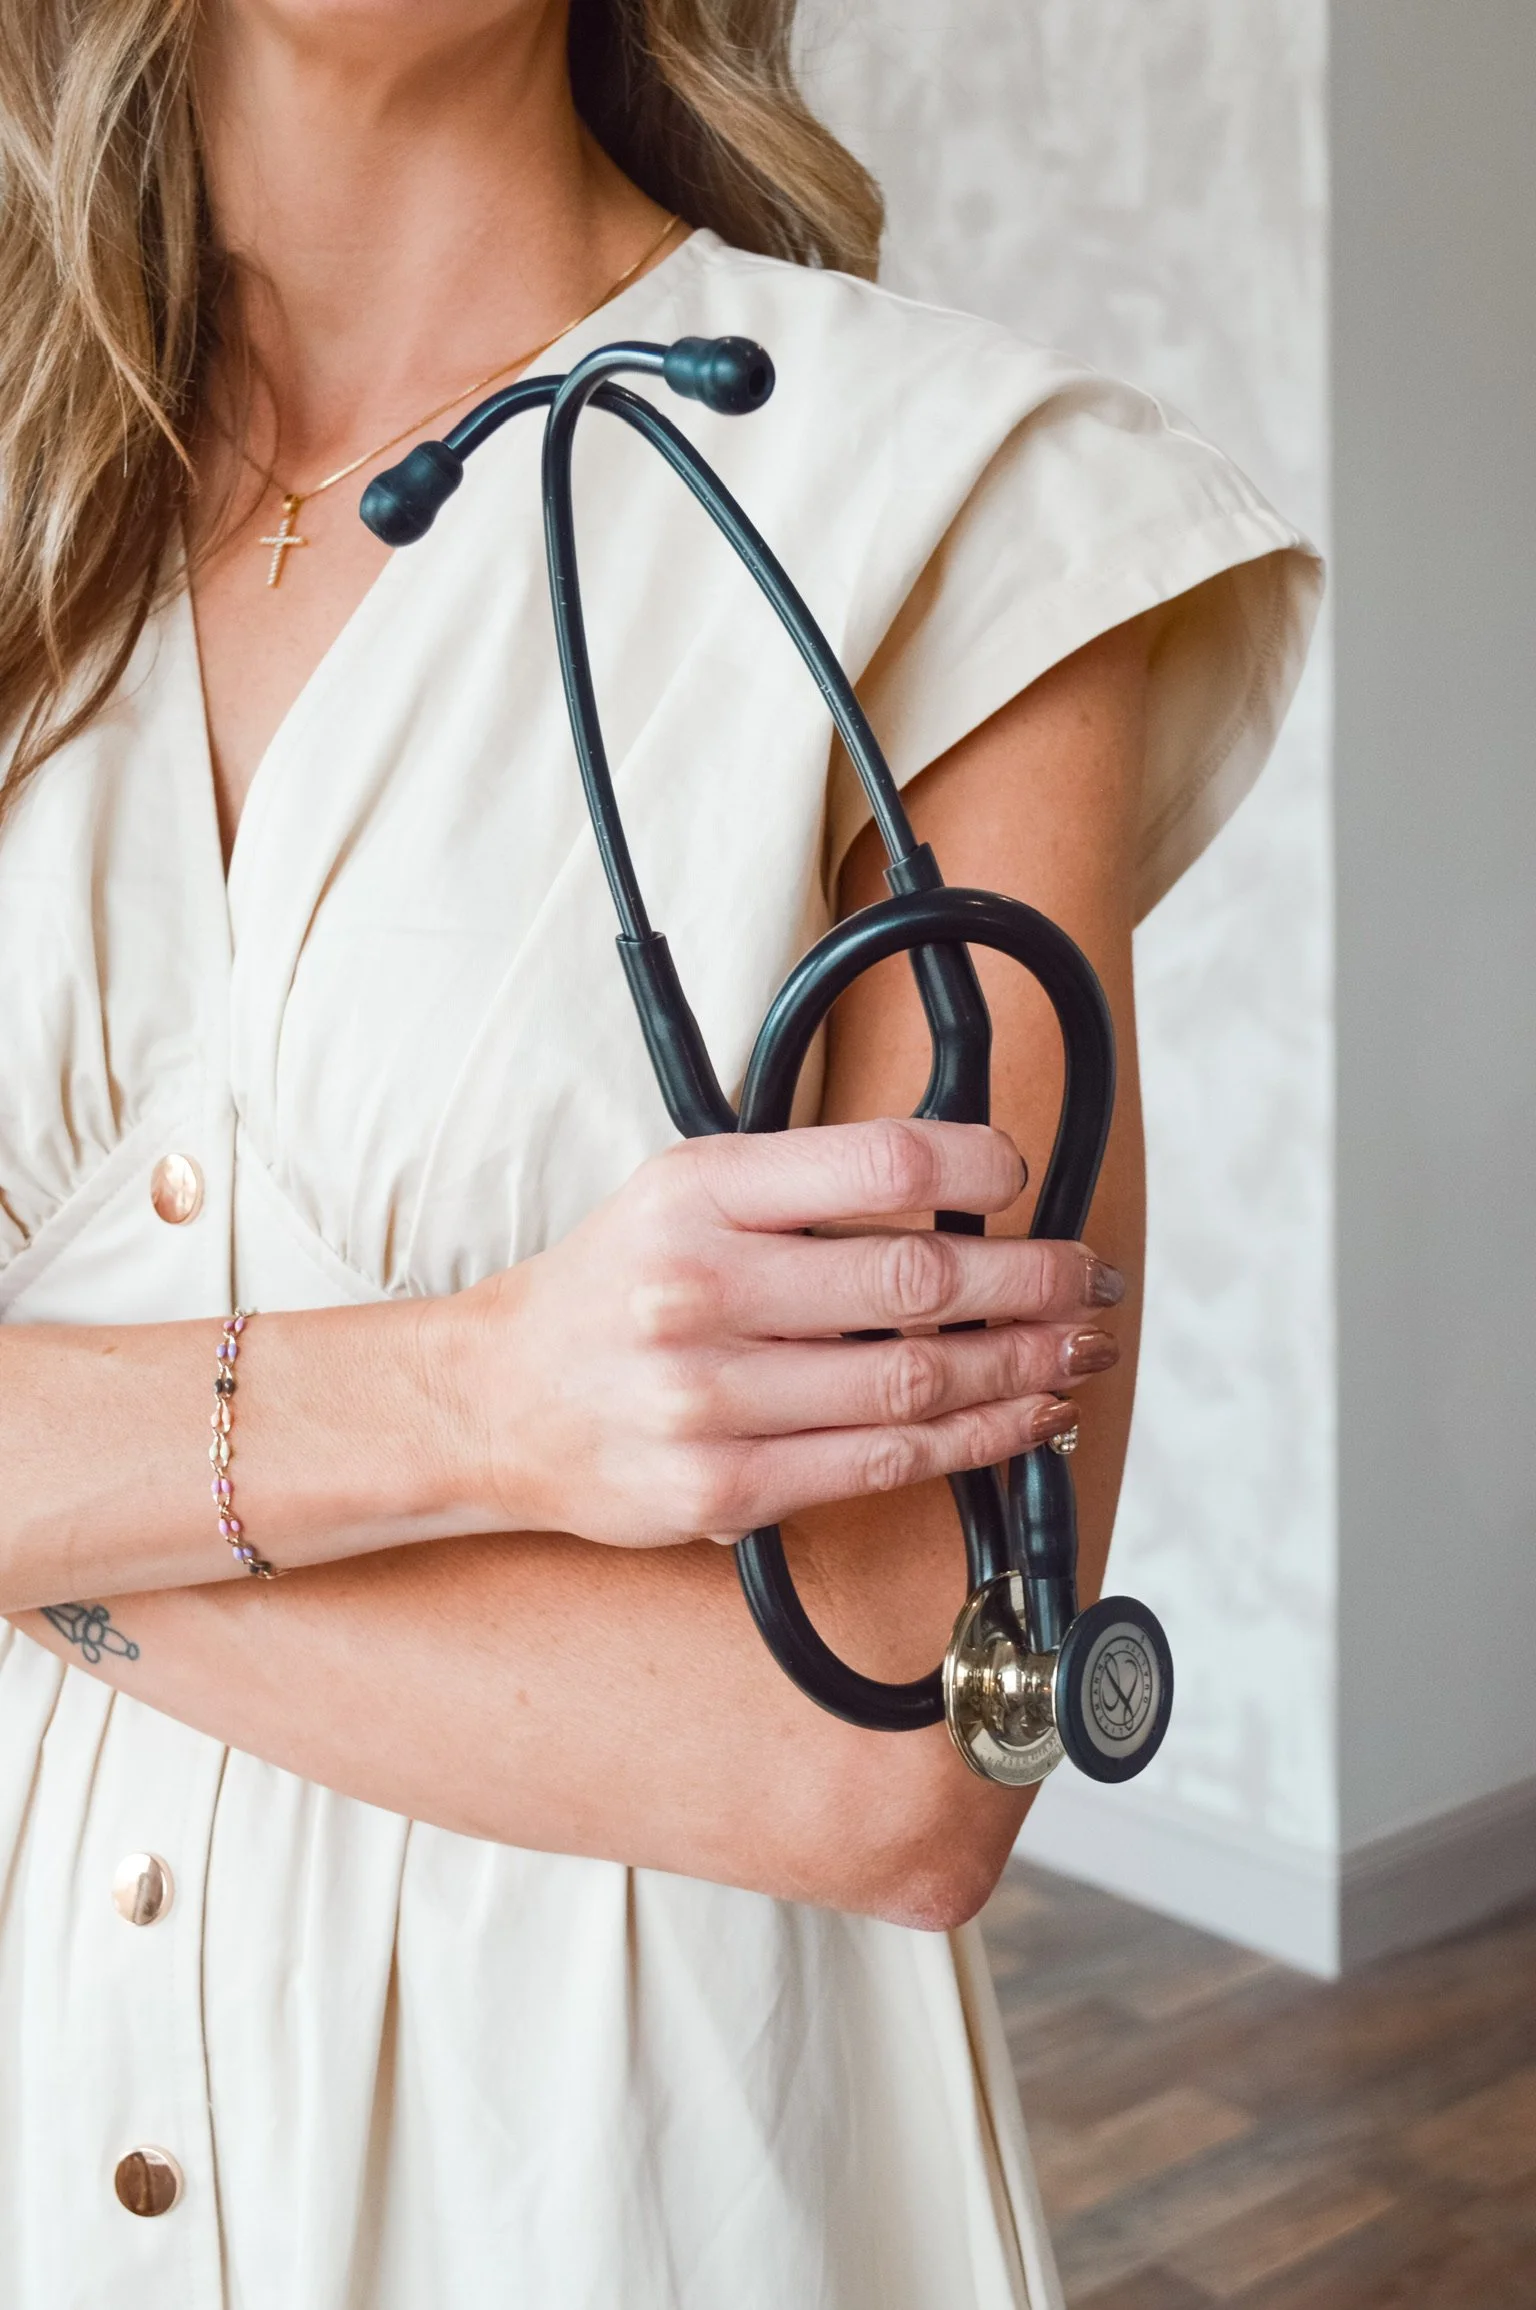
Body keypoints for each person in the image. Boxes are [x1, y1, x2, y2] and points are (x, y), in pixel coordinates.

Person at [0, 2, 1320, 2304]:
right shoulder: (35, 513)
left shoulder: (947, 513)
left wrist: (63, 1503)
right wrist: (484, 1400)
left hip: (596, 2176)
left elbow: (885, 1754)